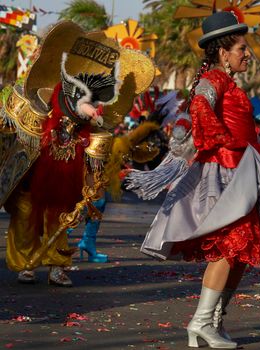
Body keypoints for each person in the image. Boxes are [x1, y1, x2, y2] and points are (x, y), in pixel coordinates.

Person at [130, 12, 260, 349]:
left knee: (242, 249)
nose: (247, 54)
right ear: (223, 52)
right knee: (229, 247)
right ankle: (201, 321)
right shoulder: (214, 80)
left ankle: (214, 319)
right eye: (242, 48)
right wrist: (224, 140)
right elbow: (200, 107)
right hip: (227, 173)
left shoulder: (228, 82)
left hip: (246, 170)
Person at [1, 21, 154, 285]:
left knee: (59, 217)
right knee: (26, 215)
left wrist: (96, 175)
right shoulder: (40, 93)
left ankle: (56, 265)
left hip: (67, 167)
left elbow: (97, 130)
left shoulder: (92, 95)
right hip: (36, 167)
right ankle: (26, 264)